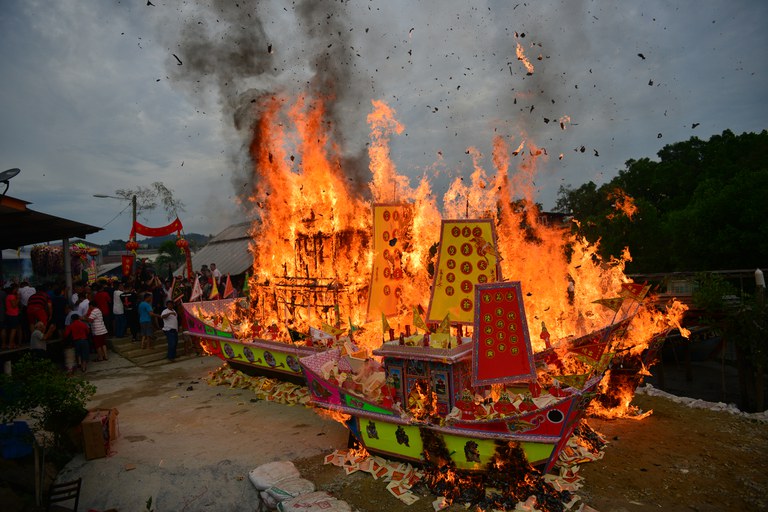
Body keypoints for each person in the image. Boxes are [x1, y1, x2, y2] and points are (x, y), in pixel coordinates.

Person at [4, 284, 21, 349]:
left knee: (11, 329)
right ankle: (10, 344)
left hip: (9, 314)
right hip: (13, 315)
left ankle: (12, 343)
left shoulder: (8, 296)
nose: (17, 290)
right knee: (13, 330)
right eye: (17, 289)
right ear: (14, 289)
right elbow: (14, 305)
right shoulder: (12, 296)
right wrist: (18, 299)